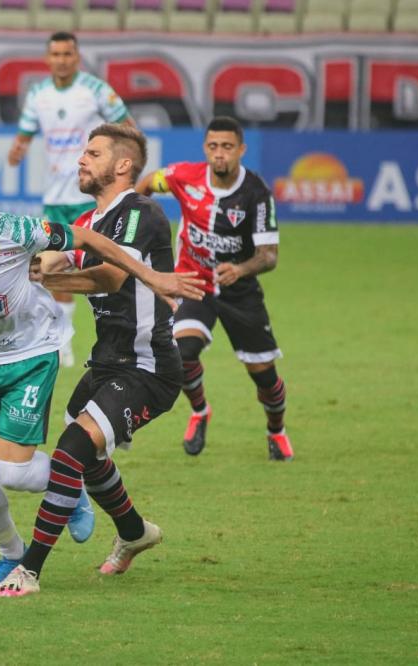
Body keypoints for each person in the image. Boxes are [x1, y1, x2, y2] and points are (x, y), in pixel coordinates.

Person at [0, 159, 201, 592]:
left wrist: (151, 275)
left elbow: (86, 239)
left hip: (29, 354)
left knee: (13, 472)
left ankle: (64, 498)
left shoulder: (17, 230)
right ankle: (10, 556)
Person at [0, 123, 204, 597]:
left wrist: (45, 280)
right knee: (88, 460)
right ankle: (134, 532)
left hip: (149, 367)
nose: (81, 160)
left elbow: (109, 279)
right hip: (107, 361)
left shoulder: (141, 213)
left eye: (92, 153)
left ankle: (28, 570)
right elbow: (55, 261)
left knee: (70, 451)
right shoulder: (91, 223)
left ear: (123, 165)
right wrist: (27, 265)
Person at [136, 116, 293, 462]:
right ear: (205, 148)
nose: (219, 154)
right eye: (212, 147)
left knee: (264, 377)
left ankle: (276, 430)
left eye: (227, 147)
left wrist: (241, 268)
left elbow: (269, 256)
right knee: (182, 352)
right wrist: (142, 221)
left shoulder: (256, 194)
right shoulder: (184, 176)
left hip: (240, 291)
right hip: (193, 282)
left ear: (241, 150)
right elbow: (147, 182)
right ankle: (200, 411)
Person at [7, 31, 135, 369]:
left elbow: (128, 127)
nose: (62, 60)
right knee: (53, 262)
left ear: (76, 57)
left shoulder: (94, 91)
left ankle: (120, 335)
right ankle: (63, 341)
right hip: (55, 197)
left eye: (67, 54)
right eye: (56, 54)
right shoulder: (38, 95)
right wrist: (18, 148)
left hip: (90, 194)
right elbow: (24, 134)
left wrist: (122, 162)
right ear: (47, 58)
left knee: (99, 267)